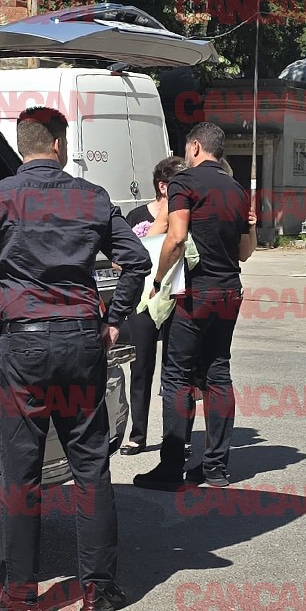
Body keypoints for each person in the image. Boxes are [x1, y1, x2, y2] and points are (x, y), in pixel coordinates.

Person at [0, 106, 148, 611]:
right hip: (81, 342)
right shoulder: (91, 197)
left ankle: (21, 596)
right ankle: (97, 591)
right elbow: (137, 260)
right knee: (90, 466)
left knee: (20, 474)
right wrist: (113, 318)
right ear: (59, 145)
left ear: (23, 146)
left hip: (22, 346)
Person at [134, 124, 254, 491]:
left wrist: (157, 279)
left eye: (188, 149)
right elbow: (244, 252)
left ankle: (171, 467)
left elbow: (175, 237)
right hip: (229, 291)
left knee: (176, 377)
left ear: (196, 147)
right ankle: (216, 467)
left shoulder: (184, 183)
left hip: (193, 293)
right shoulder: (237, 189)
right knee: (218, 373)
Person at [118, 156, 187, 456]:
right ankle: (138, 434)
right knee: (141, 366)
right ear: (163, 186)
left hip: (177, 296)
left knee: (177, 368)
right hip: (143, 299)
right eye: (180, 182)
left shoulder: (187, 214)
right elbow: (119, 259)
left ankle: (179, 437)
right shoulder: (136, 216)